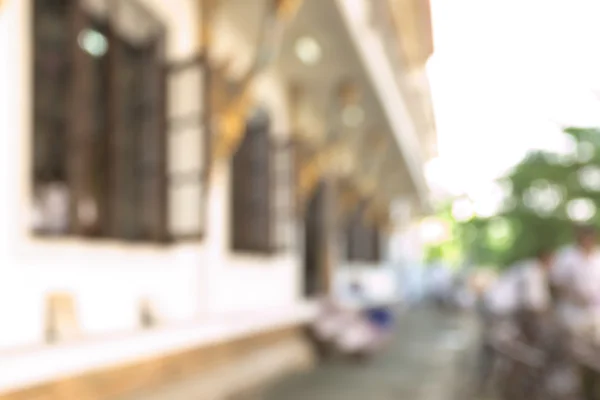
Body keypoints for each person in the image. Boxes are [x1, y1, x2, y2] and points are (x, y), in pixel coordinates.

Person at [552, 225, 600, 400]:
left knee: (594, 357)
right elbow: (556, 284)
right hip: (572, 314)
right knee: (576, 357)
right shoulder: (567, 257)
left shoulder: (597, 258)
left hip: (595, 315)